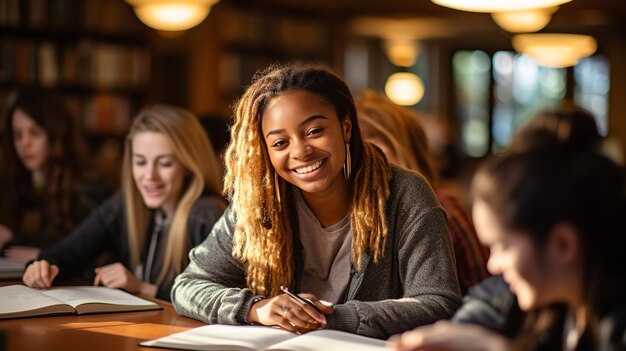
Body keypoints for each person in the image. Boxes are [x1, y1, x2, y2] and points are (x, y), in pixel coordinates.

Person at [171, 64, 461, 339]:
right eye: (280, 143)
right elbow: (188, 286)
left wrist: (331, 317)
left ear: (346, 128)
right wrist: (256, 308)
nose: (300, 151)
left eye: (314, 132)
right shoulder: (259, 202)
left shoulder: (404, 192)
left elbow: (439, 303)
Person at [389, 108, 626, 350]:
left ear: (563, 244)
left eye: (503, 246)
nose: (493, 264)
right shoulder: (547, 296)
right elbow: (487, 304)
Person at [22, 104, 227, 301]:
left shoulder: (206, 214)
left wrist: (143, 288)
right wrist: (45, 265)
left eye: (164, 163)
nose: (149, 176)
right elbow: (70, 251)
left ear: (188, 165)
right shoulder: (127, 203)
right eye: (140, 162)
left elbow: (221, 296)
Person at [356, 90, 489, 295]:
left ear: (407, 151)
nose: (363, 165)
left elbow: (483, 290)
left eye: (373, 151)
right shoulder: (364, 216)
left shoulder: (443, 209)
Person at [0, 88, 93, 263]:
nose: (24, 143)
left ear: (55, 135)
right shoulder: (18, 182)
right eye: (17, 135)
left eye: (34, 133)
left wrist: (39, 252)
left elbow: (90, 254)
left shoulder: (85, 190)